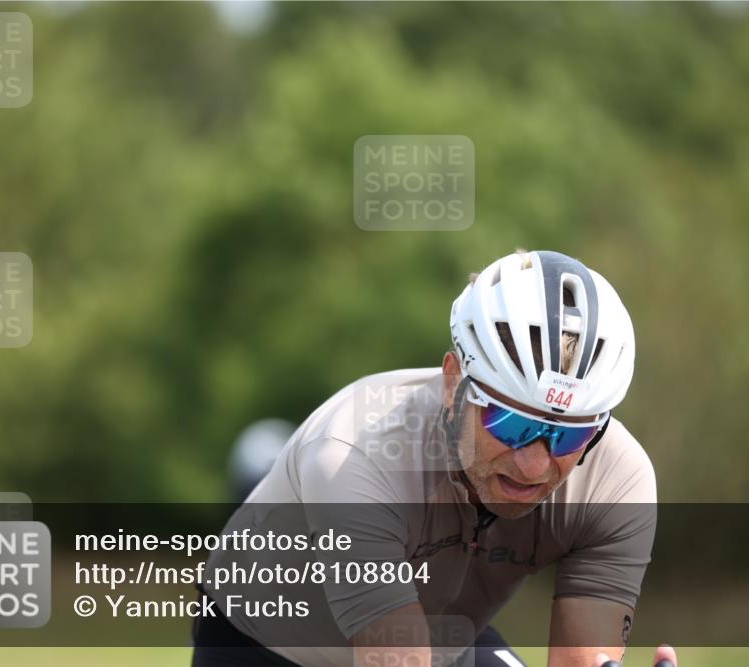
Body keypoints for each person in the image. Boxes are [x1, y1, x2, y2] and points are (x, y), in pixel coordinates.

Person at [193, 250, 673, 667]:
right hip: (262, 648)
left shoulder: (618, 480)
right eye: (510, 423)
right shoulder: (352, 456)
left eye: (568, 437)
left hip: (443, 642)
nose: (533, 464)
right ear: (452, 384)